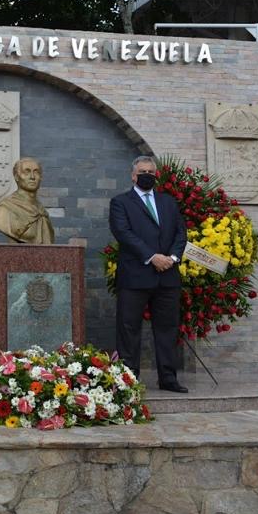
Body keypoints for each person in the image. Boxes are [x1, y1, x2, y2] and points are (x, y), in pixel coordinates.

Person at [109, 155, 188, 393]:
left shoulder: (168, 202)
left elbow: (180, 233)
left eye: (151, 172)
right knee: (129, 328)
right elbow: (123, 233)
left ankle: (168, 378)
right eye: (143, 171)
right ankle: (129, 379)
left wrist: (172, 258)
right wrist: (153, 257)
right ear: (133, 175)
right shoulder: (121, 202)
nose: (147, 175)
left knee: (167, 328)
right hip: (135, 275)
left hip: (167, 276)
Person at [0, 157, 55, 244]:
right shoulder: (5, 207)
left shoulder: (42, 211)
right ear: (17, 177)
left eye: (36, 172)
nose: (32, 177)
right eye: (26, 172)